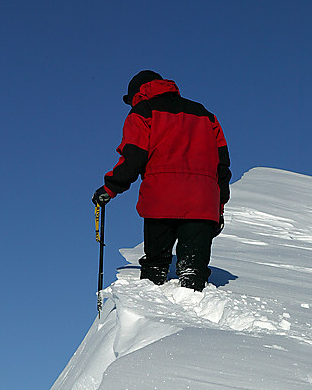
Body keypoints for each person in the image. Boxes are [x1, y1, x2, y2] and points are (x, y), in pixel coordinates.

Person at [93, 70, 231, 292]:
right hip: (203, 202)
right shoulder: (206, 115)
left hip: (161, 200)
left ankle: (152, 320)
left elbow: (134, 157)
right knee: (193, 271)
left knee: (155, 268)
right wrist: (220, 207)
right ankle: (195, 317)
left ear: (137, 94)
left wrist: (109, 188)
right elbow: (222, 165)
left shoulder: (143, 112)